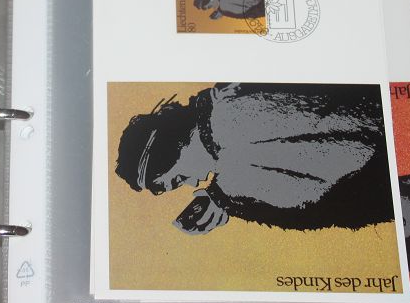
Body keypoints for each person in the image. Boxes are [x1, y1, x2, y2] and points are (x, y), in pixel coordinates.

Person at [115, 82, 395, 234]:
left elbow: (317, 182)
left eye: (178, 178)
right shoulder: (224, 101)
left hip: (391, 148)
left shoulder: (230, 120)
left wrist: (226, 199)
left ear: (175, 147)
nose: (191, 183)